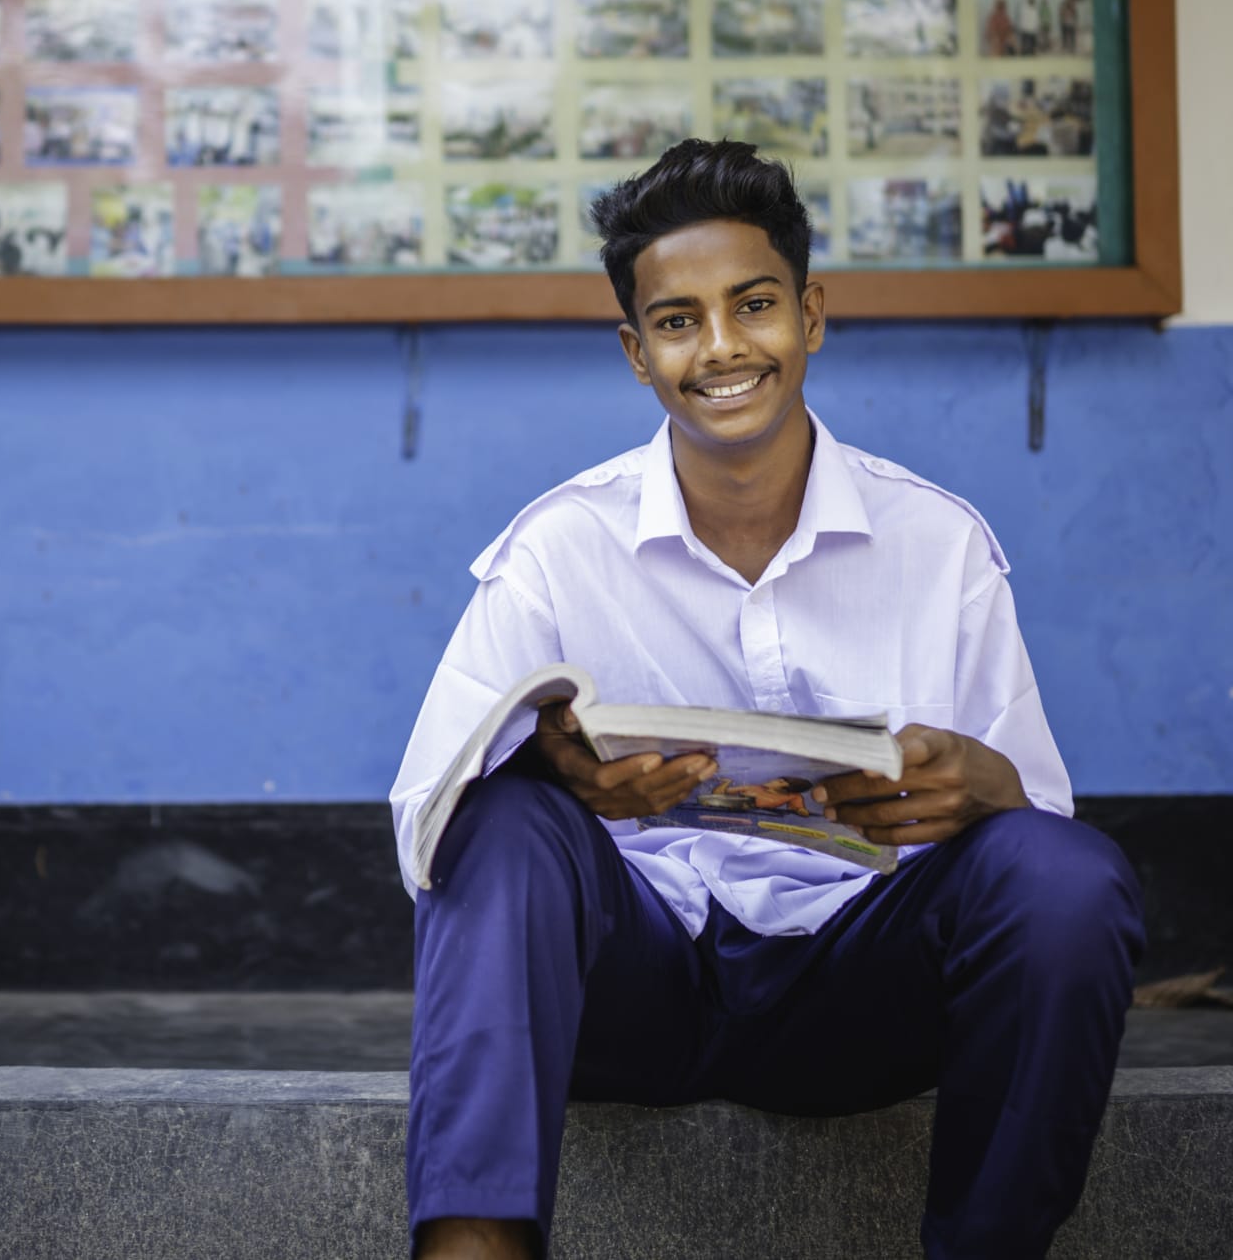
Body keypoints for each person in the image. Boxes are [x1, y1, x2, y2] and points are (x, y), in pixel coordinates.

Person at [391, 139, 1142, 1260]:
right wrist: (553, 769)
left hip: (858, 988)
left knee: (1068, 875)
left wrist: (981, 785)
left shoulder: (939, 543)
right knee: (493, 816)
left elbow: (1038, 843)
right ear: (635, 352)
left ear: (813, 315)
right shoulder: (558, 547)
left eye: (754, 306)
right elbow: (420, 824)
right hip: (631, 988)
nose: (723, 347)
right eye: (678, 319)